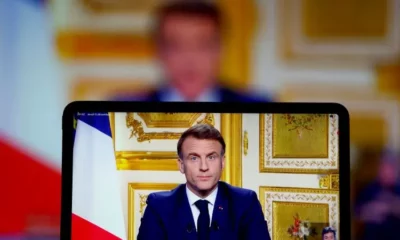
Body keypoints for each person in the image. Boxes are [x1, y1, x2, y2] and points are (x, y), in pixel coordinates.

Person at [115, 1, 272, 102]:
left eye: (202, 45)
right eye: (176, 46)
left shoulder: (260, 108)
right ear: (159, 51)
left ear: (220, 49)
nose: (189, 59)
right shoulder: (123, 110)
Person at [137, 124, 271, 240]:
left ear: (222, 162)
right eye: (194, 158)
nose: (204, 167)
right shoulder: (159, 207)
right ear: (181, 165)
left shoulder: (245, 203)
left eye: (211, 157)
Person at [354, 150, 400, 240]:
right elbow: (357, 213)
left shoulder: (398, 190)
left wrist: (391, 206)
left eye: (391, 169)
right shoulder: (369, 189)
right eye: (384, 168)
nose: (387, 172)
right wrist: (371, 210)